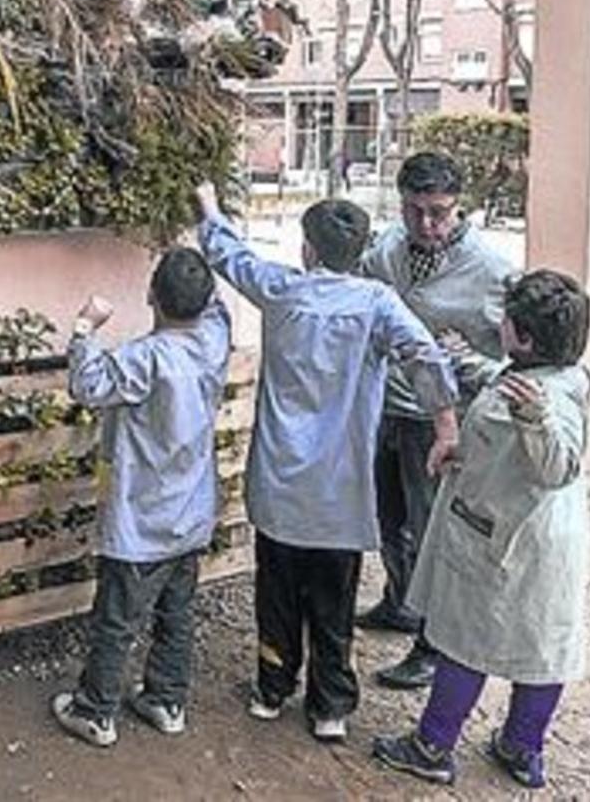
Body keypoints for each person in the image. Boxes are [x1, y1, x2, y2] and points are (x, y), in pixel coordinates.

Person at [194, 182, 458, 744]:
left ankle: (271, 687)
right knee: (335, 605)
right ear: (359, 254)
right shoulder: (377, 302)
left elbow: (229, 256)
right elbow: (423, 355)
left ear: (307, 249)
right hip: (341, 493)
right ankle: (330, 706)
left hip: (281, 485)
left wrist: (210, 205)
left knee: (277, 594)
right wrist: (445, 422)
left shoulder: (283, 290)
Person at [373, 270, 590, 790]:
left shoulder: (545, 400)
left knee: (465, 640)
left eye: (508, 321)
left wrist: (536, 420)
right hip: (535, 540)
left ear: (524, 336)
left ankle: (432, 745)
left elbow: (560, 465)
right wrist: (466, 363)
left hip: (507, 538)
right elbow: (506, 385)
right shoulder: (552, 374)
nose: (501, 325)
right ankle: (521, 746)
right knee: (540, 643)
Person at [51, 247, 232, 748]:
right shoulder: (213, 343)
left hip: (140, 522)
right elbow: (218, 309)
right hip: (191, 517)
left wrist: (85, 326)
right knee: (176, 616)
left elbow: (87, 384)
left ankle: (95, 711)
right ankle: (166, 701)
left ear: (151, 295)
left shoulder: (143, 359)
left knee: (117, 620)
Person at [357, 150, 516, 689]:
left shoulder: (495, 272)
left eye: (440, 212)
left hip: (442, 422)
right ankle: (400, 602)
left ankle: (431, 644)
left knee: (432, 533)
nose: (426, 224)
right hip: (384, 407)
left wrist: (470, 360)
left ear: (460, 208)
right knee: (385, 519)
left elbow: (519, 363)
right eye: (414, 210)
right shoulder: (384, 250)